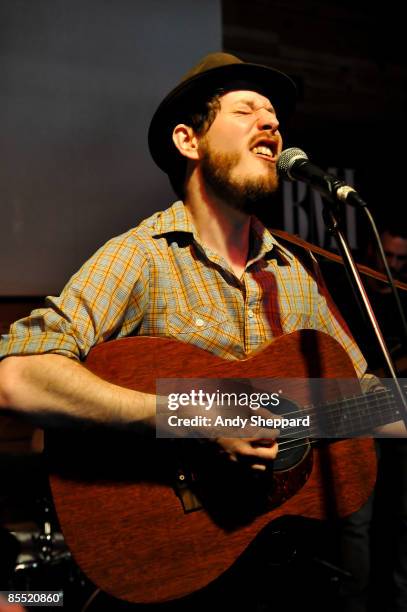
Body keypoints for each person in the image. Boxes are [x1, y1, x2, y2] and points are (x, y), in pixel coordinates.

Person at [0, 52, 405, 611]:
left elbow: (365, 401)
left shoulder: (296, 272)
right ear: (189, 141)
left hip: (289, 573)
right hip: (178, 570)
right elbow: (18, 377)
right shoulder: (140, 259)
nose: (271, 123)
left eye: (274, 116)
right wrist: (192, 416)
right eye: (247, 111)